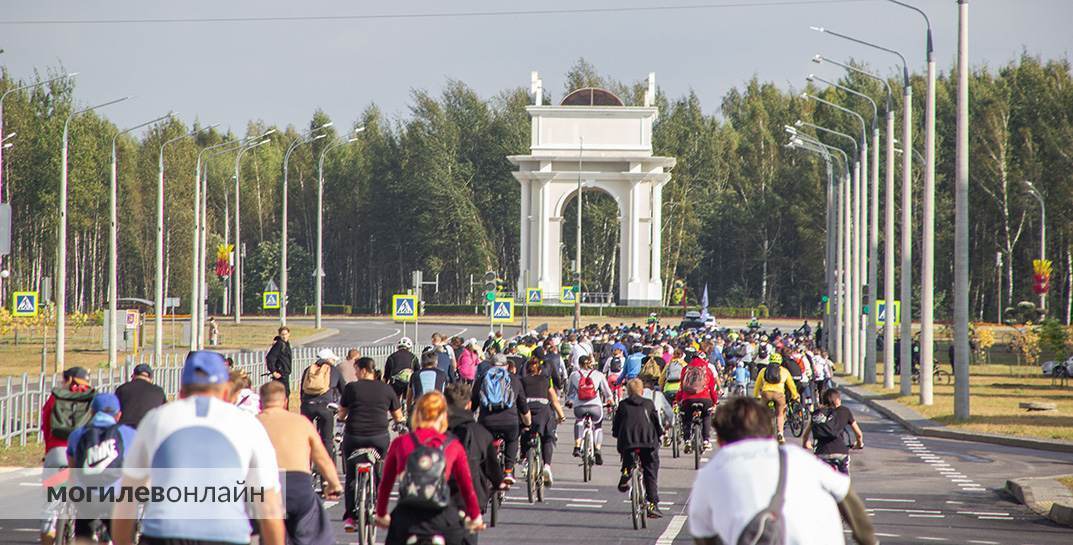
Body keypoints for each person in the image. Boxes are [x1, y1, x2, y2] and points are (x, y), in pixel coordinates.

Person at [111, 351, 285, 545]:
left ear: (181, 392)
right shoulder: (248, 425)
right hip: (225, 533)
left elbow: (127, 497)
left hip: (163, 532)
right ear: (226, 392)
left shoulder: (156, 420)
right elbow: (269, 506)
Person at [687, 397, 876, 545]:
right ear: (769, 432)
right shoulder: (798, 458)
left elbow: (703, 534)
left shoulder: (710, 475)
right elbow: (846, 495)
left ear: (719, 440)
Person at [375, 392, 484, 545]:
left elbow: (385, 484)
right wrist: (475, 516)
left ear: (417, 414)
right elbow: (466, 487)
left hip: (406, 516)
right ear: (442, 416)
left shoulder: (400, 443)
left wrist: (381, 514)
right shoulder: (452, 445)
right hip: (442, 517)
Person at [258, 380, 341, 545]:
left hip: (263, 488)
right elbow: (322, 458)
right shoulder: (302, 423)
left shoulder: (252, 423)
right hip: (297, 486)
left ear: (260, 402)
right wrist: (334, 484)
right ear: (285, 401)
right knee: (315, 532)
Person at [338, 357, 404, 531]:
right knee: (380, 468)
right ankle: (376, 506)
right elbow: (398, 416)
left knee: (351, 476)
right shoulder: (387, 389)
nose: (355, 373)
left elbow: (342, 414)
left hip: (354, 437)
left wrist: (340, 417)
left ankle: (351, 518)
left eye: (356, 370)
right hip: (378, 438)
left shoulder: (351, 388)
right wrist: (399, 424)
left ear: (364, 370)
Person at [65, 393, 136, 544]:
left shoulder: (77, 435)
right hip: (117, 498)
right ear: (118, 415)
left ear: (92, 413)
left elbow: (73, 467)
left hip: (86, 497)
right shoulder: (129, 434)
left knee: (83, 530)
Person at [41, 367, 95, 545]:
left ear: (69, 379)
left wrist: (49, 450)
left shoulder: (55, 398)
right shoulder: (92, 399)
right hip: (82, 454)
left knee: (51, 499)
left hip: (56, 453)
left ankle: (48, 530)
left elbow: (46, 425)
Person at [445, 383, 503, 545]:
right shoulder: (481, 433)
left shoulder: (435, 431)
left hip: (438, 499)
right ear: (469, 404)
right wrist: (499, 483)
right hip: (469, 500)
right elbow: (493, 470)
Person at [471, 353, 531, 486]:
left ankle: (485, 470)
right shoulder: (514, 380)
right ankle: (508, 470)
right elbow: (523, 406)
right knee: (512, 439)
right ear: (507, 366)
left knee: (484, 443)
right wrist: (528, 423)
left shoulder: (482, 379)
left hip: (486, 421)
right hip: (509, 421)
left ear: (490, 365)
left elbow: (473, 403)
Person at [613, 379, 664, 519]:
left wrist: (617, 434)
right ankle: (652, 505)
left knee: (628, 452)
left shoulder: (623, 405)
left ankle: (625, 472)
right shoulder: (648, 403)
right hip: (648, 443)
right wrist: (660, 434)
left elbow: (616, 427)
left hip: (628, 442)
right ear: (642, 391)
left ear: (628, 391)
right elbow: (656, 424)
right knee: (650, 472)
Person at [519, 358, 566, 485]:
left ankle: (525, 459)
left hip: (527, 410)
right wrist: (561, 416)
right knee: (548, 438)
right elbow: (554, 401)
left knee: (525, 431)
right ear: (540, 370)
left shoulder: (522, 381)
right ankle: (546, 466)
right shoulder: (545, 381)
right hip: (543, 411)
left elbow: (518, 399)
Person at [802, 389, 864, 475]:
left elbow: (805, 436)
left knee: (822, 482)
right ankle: (845, 486)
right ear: (838, 400)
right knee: (844, 481)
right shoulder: (845, 411)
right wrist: (859, 444)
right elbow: (859, 434)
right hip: (841, 452)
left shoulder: (817, 414)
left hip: (821, 452)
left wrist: (806, 444)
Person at [300, 349, 347, 461]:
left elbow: (302, 391)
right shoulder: (334, 370)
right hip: (325, 407)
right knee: (327, 439)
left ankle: (306, 467)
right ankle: (325, 473)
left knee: (306, 438)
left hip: (307, 406)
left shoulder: (308, 370)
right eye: (332, 359)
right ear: (328, 359)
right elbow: (344, 390)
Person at [566, 354, 613, 465]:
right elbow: (607, 392)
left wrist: (569, 401)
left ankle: (577, 446)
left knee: (578, 421)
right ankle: (597, 448)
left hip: (579, 407)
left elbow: (569, 393)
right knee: (597, 426)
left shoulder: (574, 375)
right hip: (595, 406)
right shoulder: (599, 374)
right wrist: (610, 401)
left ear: (579, 364)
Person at [675, 353, 719, 453]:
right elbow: (712, 388)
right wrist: (715, 402)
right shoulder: (707, 369)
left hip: (688, 399)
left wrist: (678, 400)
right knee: (706, 416)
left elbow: (681, 387)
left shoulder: (686, 369)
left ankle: (687, 440)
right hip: (705, 399)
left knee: (686, 418)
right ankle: (706, 441)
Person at [754, 352, 799, 444]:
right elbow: (791, 385)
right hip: (779, 394)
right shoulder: (784, 371)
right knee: (780, 414)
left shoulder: (763, 370)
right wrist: (795, 395)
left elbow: (757, 385)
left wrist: (756, 396)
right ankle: (780, 434)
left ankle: (765, 433)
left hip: (766, 393)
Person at [113, 363, 165, 428]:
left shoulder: (122, 389)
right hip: (149, 429)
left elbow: (114, 411)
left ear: (133, 375)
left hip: (125, 430)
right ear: (151, 378)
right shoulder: (158, 391)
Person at [266, 326, 294, 399]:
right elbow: (270, 358)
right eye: (282, 334)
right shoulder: (279, 344)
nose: (284, 336)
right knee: (283, 394)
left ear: (289, 334)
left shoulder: (286, 344)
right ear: (279, 335)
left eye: (286, 334)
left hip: (285, 373)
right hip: (281, 374)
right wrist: (274, 371)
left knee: (286, 393)